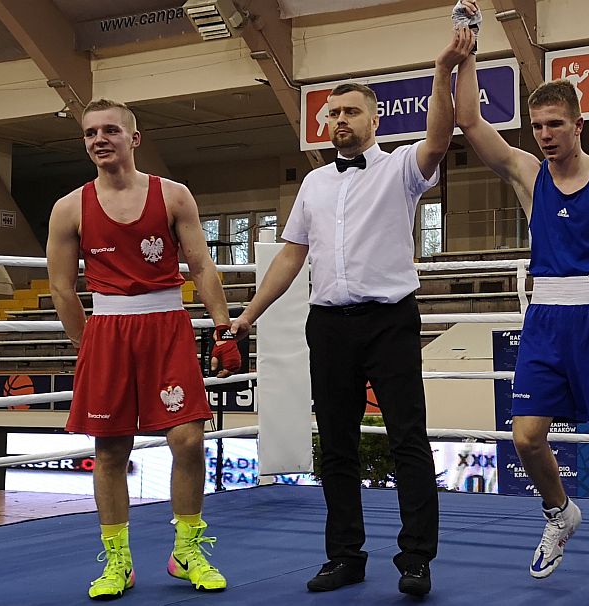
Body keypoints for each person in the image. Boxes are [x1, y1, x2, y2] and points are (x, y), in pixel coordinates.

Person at [229, 31, 474, 597]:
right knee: (336, 445)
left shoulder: (402, 169)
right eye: (332, 112)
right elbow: (291, 255)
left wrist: (442, 71)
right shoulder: (313, 182)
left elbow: (439, 139)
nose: (339, 119)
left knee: (406, 439)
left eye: (350, 111)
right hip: (329, 325)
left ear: (375, 118)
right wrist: (249, 315)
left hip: (389, 320)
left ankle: (416, 559)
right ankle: (344, 556)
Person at [452, 3, 589, 604]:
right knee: (525, 438)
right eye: (537, 126)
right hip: (545, 320)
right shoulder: (528, 175)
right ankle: (560, 511)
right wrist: (468, 49)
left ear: (578, 124)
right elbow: (468, 120)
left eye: (554, 125)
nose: (544, 135)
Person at [46, 99, 241, 600]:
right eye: (90, 133)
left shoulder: (173, 196)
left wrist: (223, 329)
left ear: (135, 138)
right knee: (110, 451)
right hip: (108, 330)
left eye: (111, 130)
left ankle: (187, 551)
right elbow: (63, 288)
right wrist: (86, 343)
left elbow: (201, 267)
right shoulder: (69, 208)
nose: (99, 139)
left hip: (167, 326)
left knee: (189, 440)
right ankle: (118, 562)